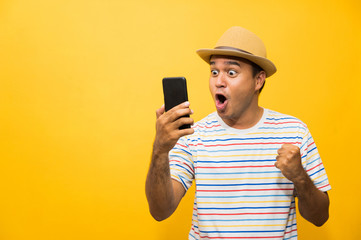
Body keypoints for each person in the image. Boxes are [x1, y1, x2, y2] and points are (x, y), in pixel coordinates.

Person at [145, 26, 331, 239]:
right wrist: (160, 150)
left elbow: (320, 217)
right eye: (214, 72)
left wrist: (300, 177)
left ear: (258, 80)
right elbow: (160, 211)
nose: (219, 81)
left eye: (231, 72)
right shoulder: (194, 135)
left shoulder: (294, 132)